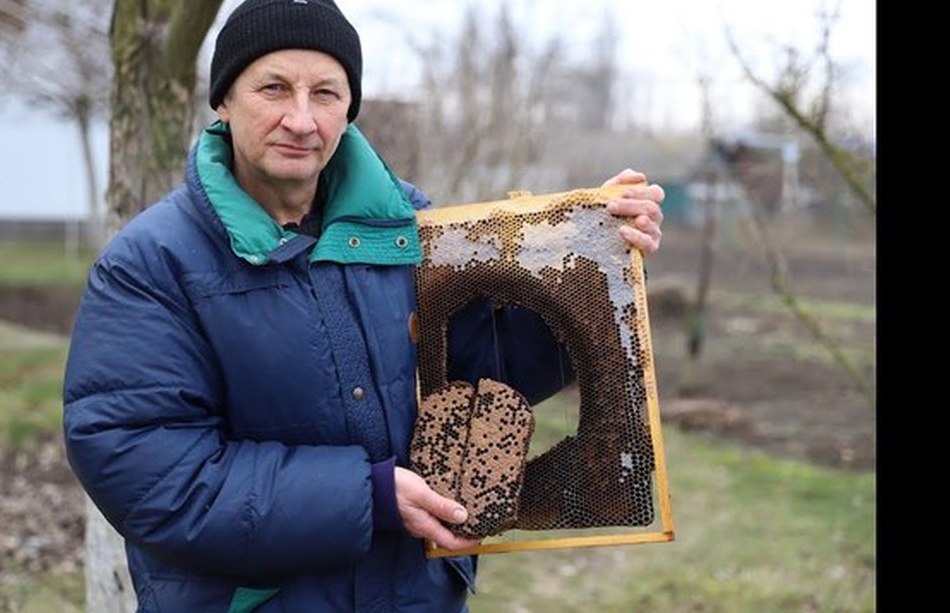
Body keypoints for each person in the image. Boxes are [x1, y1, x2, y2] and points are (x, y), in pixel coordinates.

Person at [62, 0, 665, 611]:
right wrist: (368, 496)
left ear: (349, 107)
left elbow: (481, 379)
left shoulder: (410, 227)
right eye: (274, 88)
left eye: (325, 92)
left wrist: (594, 264)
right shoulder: (152, 264)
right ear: (223, 100)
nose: (301, 119)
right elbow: (152, 472)